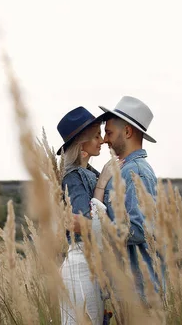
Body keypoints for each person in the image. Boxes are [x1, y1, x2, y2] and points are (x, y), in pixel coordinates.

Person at [97, 96, 162, 300]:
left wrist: (97, 227)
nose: (105, 139)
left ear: (127, 132)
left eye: (109, 133)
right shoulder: (124, 170)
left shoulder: (136, 172)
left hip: (139, 294)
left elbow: (141, 229)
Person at [56, 106, 113, 325]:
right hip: (82, 265)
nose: (102, 141)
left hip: (90, 263)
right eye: (96, 136)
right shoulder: (73, 177)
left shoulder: (88, 172)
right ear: (82, 145)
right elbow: (80, 223)